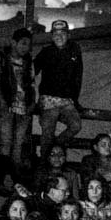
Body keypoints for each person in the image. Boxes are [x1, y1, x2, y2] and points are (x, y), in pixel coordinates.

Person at [0, 28, 36, 171]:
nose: (25, 48)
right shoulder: (0, 57)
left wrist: (32, 103)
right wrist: (2, 102)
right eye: (23, 43)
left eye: (28, 45)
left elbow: (32, 84)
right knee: (6, 142)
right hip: (7, 105)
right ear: (13, 42)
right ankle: (4, 175)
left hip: (23, 105)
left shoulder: (28, 61)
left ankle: (14, 175)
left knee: (18, 144)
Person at [33, 19, 84, 151]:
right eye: (56, 33)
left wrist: (75, 100)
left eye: (62, 33)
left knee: (76, 125)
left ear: (68, 35)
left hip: (66, 100)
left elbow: (77, 77)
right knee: (47, 133)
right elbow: (32, 70)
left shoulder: (75, 51)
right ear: (52, 36)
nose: (59, 36)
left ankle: (54, 149)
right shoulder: (46, 52)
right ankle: (45, 163)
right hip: (48, 99)